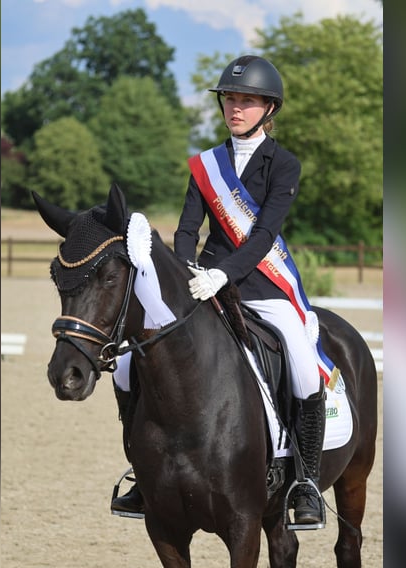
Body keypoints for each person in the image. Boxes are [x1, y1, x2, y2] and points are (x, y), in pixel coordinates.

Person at [111, 55, 327, 526]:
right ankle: (141, 473)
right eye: (230, 99)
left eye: (246, 101)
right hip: (203, 284)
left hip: (263, 285)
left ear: (269, 109)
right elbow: (187, 228)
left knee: (305, 367)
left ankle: (305, 482)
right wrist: (189, 268)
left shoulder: (284, 166)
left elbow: (264, 235)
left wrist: (223, 274)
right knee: (128, 362)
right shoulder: (207, 165)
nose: (235, 108)